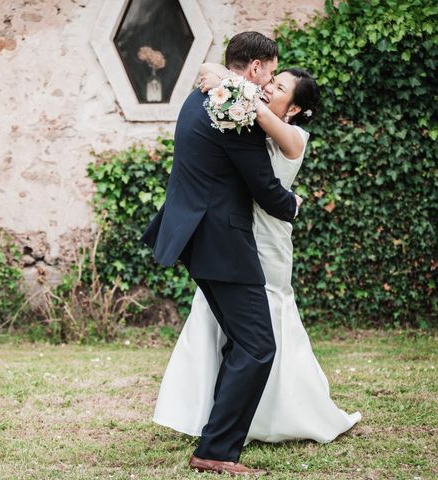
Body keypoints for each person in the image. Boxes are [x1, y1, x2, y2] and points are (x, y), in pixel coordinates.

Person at [153, 64, 361, 451]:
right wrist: (222, 77)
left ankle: (278, 413)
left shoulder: (293, 135)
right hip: (237, 237)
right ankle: (223, 417)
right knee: (233, 333)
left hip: (268, 240)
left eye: (278, 86)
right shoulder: (248, 120)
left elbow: (259, 116)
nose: (267, 88)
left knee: (263, 332)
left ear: (295, 108)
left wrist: (229, 83)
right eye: (268, 80)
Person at [141, 32, 301, 476]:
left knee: (239, 340)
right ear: (253, 68)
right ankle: (215, 450)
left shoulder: (200, 96)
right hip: (222, 239)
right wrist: (292, 205)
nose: (269, 81)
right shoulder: (236, 109)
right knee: (257, 345)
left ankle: (220, 434)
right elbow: (263, 185)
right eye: (269, 71)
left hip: (195, 232)